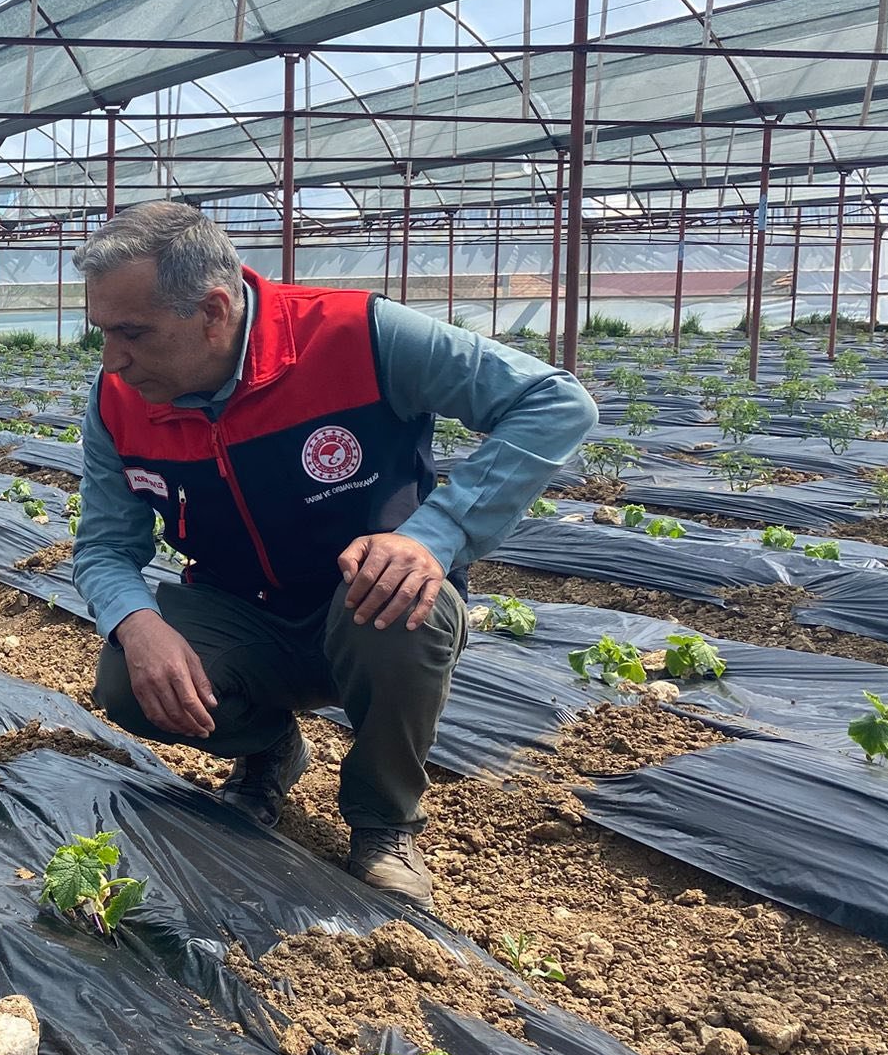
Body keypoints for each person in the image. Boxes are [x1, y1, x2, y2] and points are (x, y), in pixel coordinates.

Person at [71, 202, 596, 909]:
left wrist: (432, 537)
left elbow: (553, 401)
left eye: (132, 333)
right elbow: (105, 546)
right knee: (128, 680)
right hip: (243, 614)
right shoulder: (116, 401)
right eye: (103, 333)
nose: (114, 359)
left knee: (404, 604)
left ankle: (385, 822)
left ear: (214, 311)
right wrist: (137, 624)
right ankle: (270, 750)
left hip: (364, 605)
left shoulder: (358, 335)